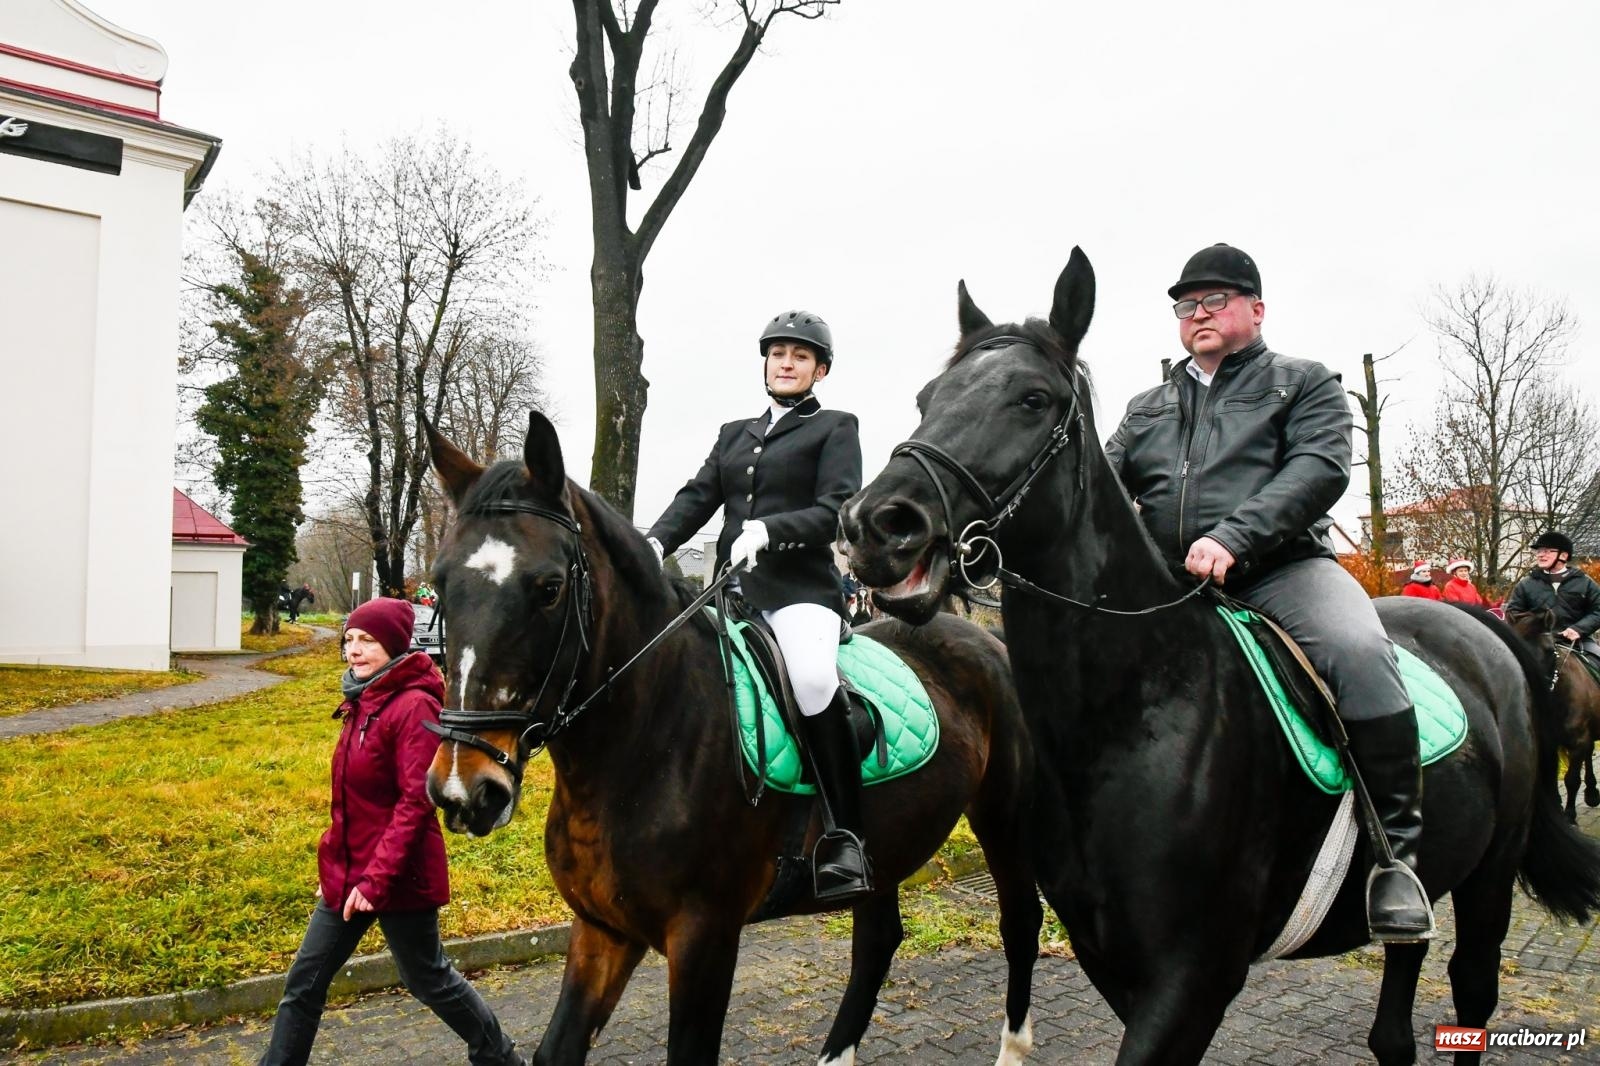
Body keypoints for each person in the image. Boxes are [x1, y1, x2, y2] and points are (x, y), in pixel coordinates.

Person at [1103, 243, 1434, 942]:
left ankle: (1395, 858)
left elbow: (1319, 468)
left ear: (1256, 309)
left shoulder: (1304, 382)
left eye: (1214, 300)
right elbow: (1099, 490)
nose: (1198, 313)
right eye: (1185, 305)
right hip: (1170, 584)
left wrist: (1234, 537)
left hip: (1283, 571)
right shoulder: (1147, 407)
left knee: (1359, 653)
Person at [645, 310, 869, 902]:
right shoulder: (733, 433)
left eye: (800, 355)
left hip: (799, 591)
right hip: (732, 592)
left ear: (819, 370)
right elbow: (697, 496)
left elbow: (838, 509)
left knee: (814, 679)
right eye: (778, 354)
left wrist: (771, 530)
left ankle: (846, 835)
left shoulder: (836, 428)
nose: (786, 362)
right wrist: (653, 542)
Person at [260, 597, 524, 1066]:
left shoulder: (413, 705)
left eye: (368, 641)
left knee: (428, 979)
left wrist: (375, 880)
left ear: (396, 646)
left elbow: (414, 803)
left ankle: (499, 1056)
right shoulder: (364, 698)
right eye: (349, 640)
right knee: (304, 982)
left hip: (398, 875)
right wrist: (340, 864)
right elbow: (353, 797)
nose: (354, 651)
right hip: (350, 870)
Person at [1505, 531, 1600, 658]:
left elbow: (1598, 611)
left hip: (1578, 641)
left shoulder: (1585, 583)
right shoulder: (1526, 584)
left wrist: (1578, 629)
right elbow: (1513, 614)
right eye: (1539, 551)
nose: (1541, 555)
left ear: (1564, 555)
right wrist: (1534, 625)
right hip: (1536, 642)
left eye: (1548, 551)